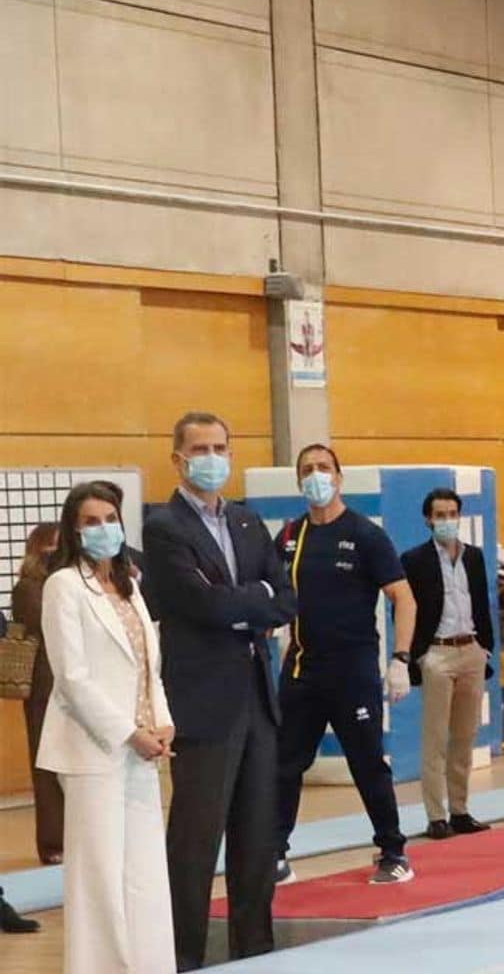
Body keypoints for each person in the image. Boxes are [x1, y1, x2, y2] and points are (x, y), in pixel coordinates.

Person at [142, 412, 294, 969]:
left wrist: (241, 602)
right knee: (196, 843)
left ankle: (254, 951)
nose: (213, 457)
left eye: (220, 446)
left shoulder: (249, 524)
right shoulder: (165, 527)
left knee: (257, 841)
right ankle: (181, 955)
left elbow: (284, 597)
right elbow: (198, 605)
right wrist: (248, 603)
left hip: (257, 696)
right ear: (178, 457)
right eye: (200, 448)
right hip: (204, 703)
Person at [37, 480, 174, 972]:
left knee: (143, 870)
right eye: (91, 521)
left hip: (143, 746)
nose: (103, 529)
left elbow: (147, 665)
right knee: (98, 873)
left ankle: (149, 962)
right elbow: (71, 678)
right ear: (75, 529)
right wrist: (127, 732)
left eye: (110, 519)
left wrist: (162, 722)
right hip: (93, 749)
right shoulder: (64, 587)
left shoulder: (130, 584)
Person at [272, 444, 418, 885]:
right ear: (298, 481)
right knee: (285, 764)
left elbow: (403, 598)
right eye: (307, 470)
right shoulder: (290, 537)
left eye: (323, 468)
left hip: (352, 673)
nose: (315, 476)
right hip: (301, 671)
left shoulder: (365, 535)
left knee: (368, 762)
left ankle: (393, 851)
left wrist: (400, 660)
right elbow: (274, 598)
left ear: (339, 477)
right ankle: (275, 853)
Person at [400, 488, 495, 840]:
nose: (446, 520)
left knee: (465, 737)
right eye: (439, 515)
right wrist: (417, 656)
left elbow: (482, 605)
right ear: (428, 519)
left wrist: (485, 648)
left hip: (470, 649)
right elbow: (405, 611)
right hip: (437, 653)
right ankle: (435, 815)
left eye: (452, 513)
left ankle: (460, 809)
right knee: (435, 738)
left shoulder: (473, 556)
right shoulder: (414, 559)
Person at [11, 522, 62, 865]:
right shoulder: (28, 587)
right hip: (44, 685)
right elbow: (46, 624)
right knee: (46, 766)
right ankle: (52, 842)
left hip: (69, 683)